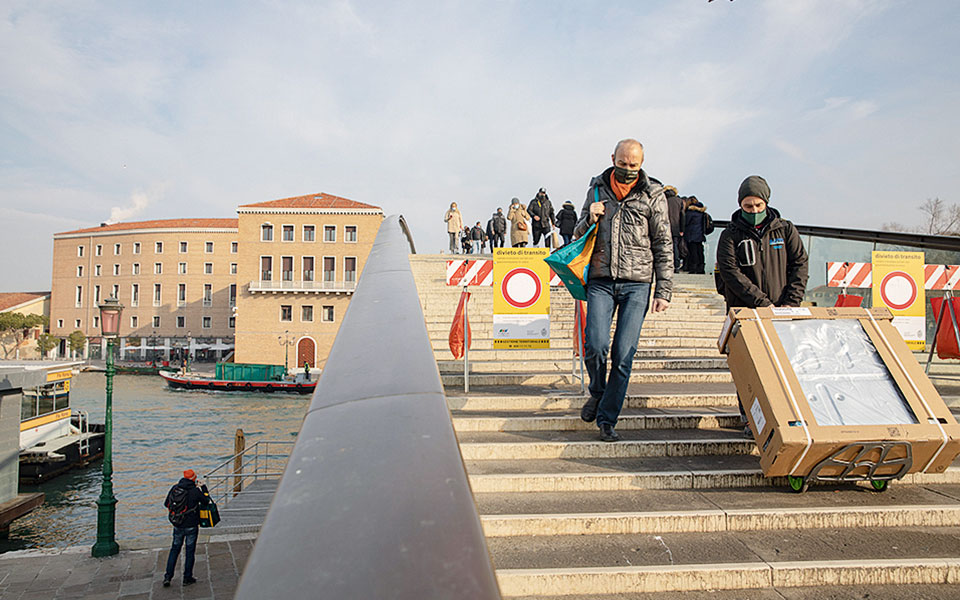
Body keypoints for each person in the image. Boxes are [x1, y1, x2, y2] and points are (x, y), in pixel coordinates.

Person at [575, 139, 673, 442]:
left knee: (623, 354)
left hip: (638, 283)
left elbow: (663, 242)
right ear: (613, 159)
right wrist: (588, 217)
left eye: (634, 165)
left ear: (641, 164)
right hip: (601, 280)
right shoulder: (596, 189)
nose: (628, 169)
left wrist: (664, 289)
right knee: (596, 343)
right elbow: (577, 232)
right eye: (623, 163)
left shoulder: (653, 194)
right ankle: (598, 391)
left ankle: (607, 418)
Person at [716, 175, 809, 436]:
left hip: (782, 312)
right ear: (740, 205)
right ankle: (751, 419)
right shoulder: (729, 236)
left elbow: (800, 265)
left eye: (758, 205)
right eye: (748, 206)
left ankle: (784, 417)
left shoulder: (786, 230)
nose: (754, 211)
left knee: (783, 370)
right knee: (749, 370)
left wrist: (790, 303)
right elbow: (731, 274)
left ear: (766, 203)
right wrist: (763, 303)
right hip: (747, 313)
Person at [163, 469, 211, 587]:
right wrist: (203, 487)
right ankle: (187, 578)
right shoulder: (195, 491)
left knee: (174, 550)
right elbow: (206, 501)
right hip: (191, 525)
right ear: (194, 479)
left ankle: (168, 576)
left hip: (177, 524)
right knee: (190, 551)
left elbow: (166, 504)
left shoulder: (175, 488)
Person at [683, 195, 708, 274]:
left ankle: (693, 268)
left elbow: (686, 223)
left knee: (693, 252)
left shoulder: (690, 213)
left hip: (691, 235)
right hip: (700, 235)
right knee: (700, 251)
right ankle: (701, 268)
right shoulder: (702, 213)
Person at [665, 186, 685, 270]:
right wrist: (682, 229)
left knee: (664, 246)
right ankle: (676, 265)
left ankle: (666, 265)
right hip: (676, 227)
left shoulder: (664, 200)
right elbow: (682, 216)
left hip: (664, 226)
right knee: (675, 246)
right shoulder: (679, 201)